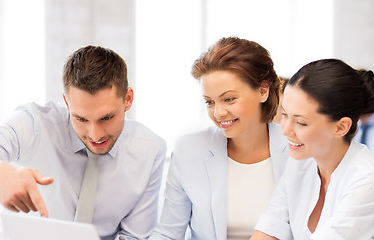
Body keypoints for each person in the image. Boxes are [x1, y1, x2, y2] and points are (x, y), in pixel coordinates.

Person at [0, 45, 167, 239]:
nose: (95, 135)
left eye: (106, 118)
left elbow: (134, 236)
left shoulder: (151, 151)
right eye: (81, 119)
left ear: (128, 99)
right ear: (67, 102)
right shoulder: (34, 124)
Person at [150, 37, 289, 240]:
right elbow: (168, 233)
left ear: (262, 91)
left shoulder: (298, 150)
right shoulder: (190, 148)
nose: (218, 112)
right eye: (209, 102)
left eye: (229, 99)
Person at [251, 59, 374, 239]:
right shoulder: (300, 161)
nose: (285, 130)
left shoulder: (366, 179)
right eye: (284, 115)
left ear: (341, 127)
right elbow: (271, 226)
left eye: (301, 122)